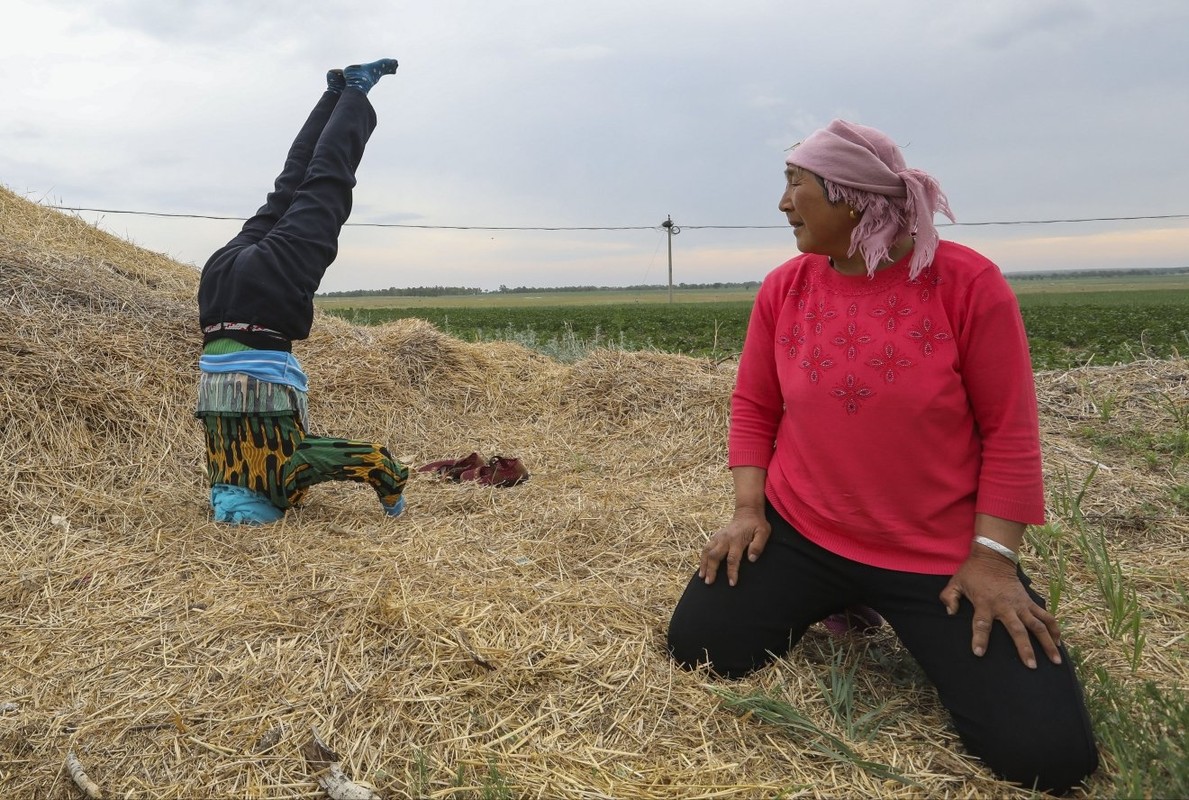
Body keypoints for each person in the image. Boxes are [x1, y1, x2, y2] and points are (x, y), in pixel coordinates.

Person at [666, 120, 1098, 793]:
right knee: (701, 647)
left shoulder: (965, 284)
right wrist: (748, 510)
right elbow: (754, 406)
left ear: (850, 196)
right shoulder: (786, 288)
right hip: (803, 533)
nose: (781, 204)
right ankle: (840, 599)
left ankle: (883, 600)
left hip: (936, 556)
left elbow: (1010, 434)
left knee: (1047, 756)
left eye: (794, 184)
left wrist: (992, 558)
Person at [195, 60, 409, 525]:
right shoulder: (221, 468)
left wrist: (393, 495)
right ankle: (333, 93)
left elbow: (366, 458)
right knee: (287, 188)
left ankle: (355, 89)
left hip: (267, 299)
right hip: (217, 290)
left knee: (327, 183)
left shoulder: (282, 477)